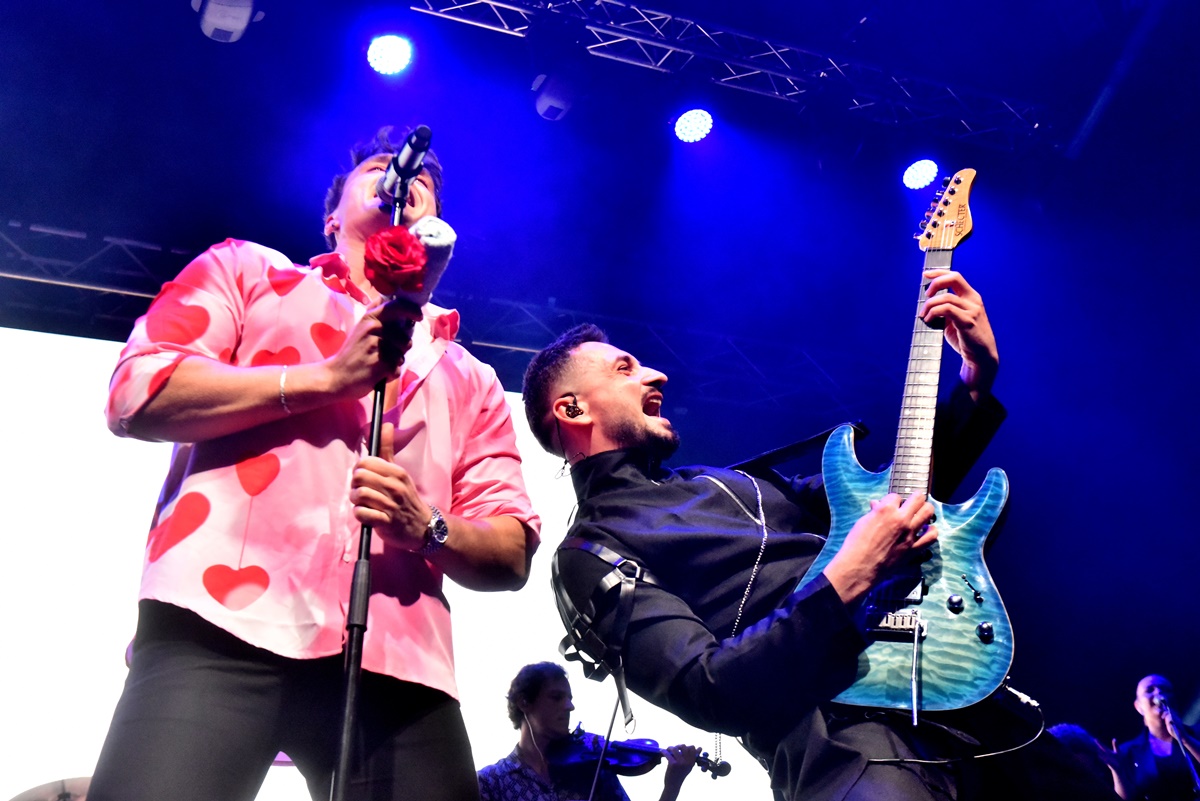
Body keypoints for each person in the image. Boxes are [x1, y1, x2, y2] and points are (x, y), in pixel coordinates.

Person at [521, 272, 1120, 801]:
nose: (657, 373)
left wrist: (973, 382)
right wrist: (849, 575)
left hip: (961, 693)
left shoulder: (725, 481)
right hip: (842, 743)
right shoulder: (589, 551)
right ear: (572, 410)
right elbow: (708, 690)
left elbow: (895, 499)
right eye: (624, 369)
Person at [88, 127, 540, 801]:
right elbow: (138, 392)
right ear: (332, 218)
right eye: (381, 167)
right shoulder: (246, 272)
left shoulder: (469, 375)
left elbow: (511, 550)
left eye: (425, 181)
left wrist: (428, 527)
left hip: (400, 660)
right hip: (216, 626)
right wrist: (325, 379)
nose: (406, 177)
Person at [477, 662, 699, 801]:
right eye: (556, 698)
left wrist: (672, 787)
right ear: (524, 703)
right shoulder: (491, 783)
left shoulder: (592, 770)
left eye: (570, 698)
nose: (569, 706)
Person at [1115, 675, 1200, 801]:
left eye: (1165, 689)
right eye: (1149, 690)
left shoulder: (1196, 735)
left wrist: (1185, 739)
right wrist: (1117, 771)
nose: (1158, 692)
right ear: (1138, 706)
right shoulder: (1128, 752)